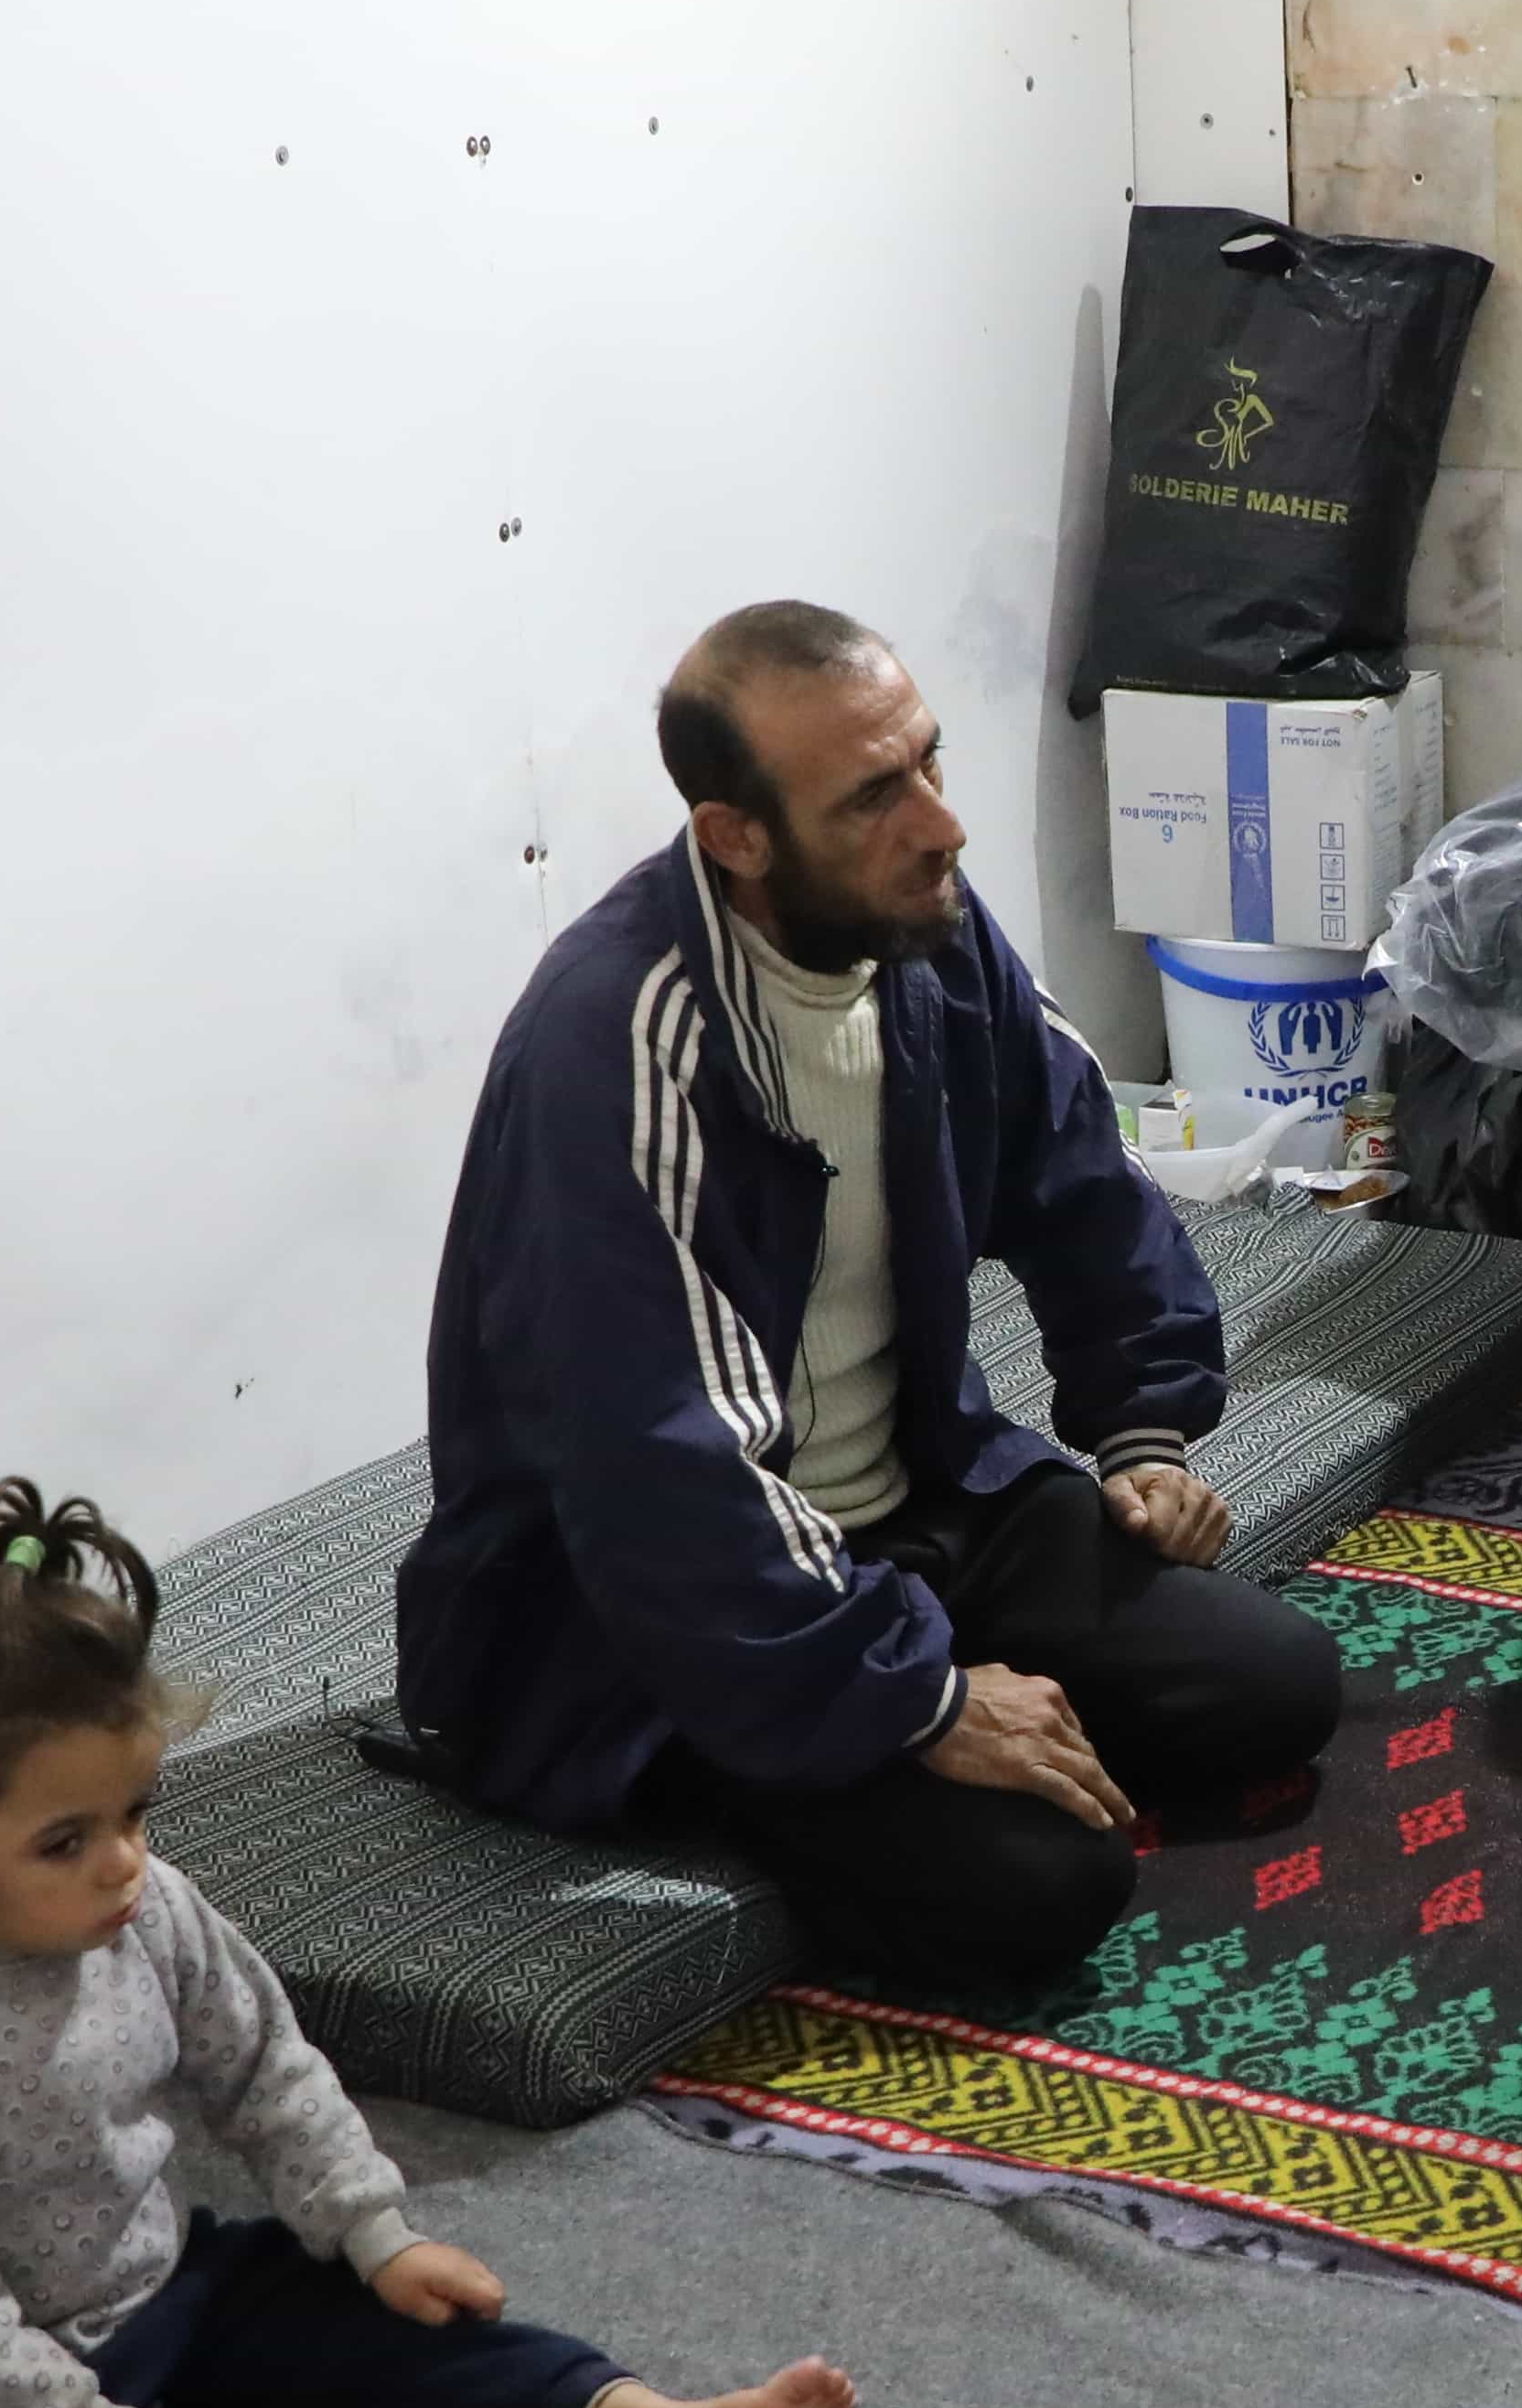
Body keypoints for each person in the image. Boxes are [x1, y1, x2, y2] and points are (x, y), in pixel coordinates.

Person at [393, 599, 1345, 1988]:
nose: (940, 825)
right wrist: (916, 1697)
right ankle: (737, 1746)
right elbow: (660, 1470)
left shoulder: (927, 935)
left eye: (931, 764)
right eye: (873, 798)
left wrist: (1142, 1427)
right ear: (738, 837)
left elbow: (1079, 1177)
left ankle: (879, 1711)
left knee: (1275, 1687)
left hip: (919, 1503)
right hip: (631, 1606)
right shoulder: (618, 1040)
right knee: (1046, 1888)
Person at [0, 1485, 860, 2408]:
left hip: (165, 2274)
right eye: (66, 1841)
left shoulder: (148, 1909)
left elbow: (263, 2067)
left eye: (134, 1812)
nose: (126, 1861)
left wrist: (371, 2230)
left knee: (394, 2321)